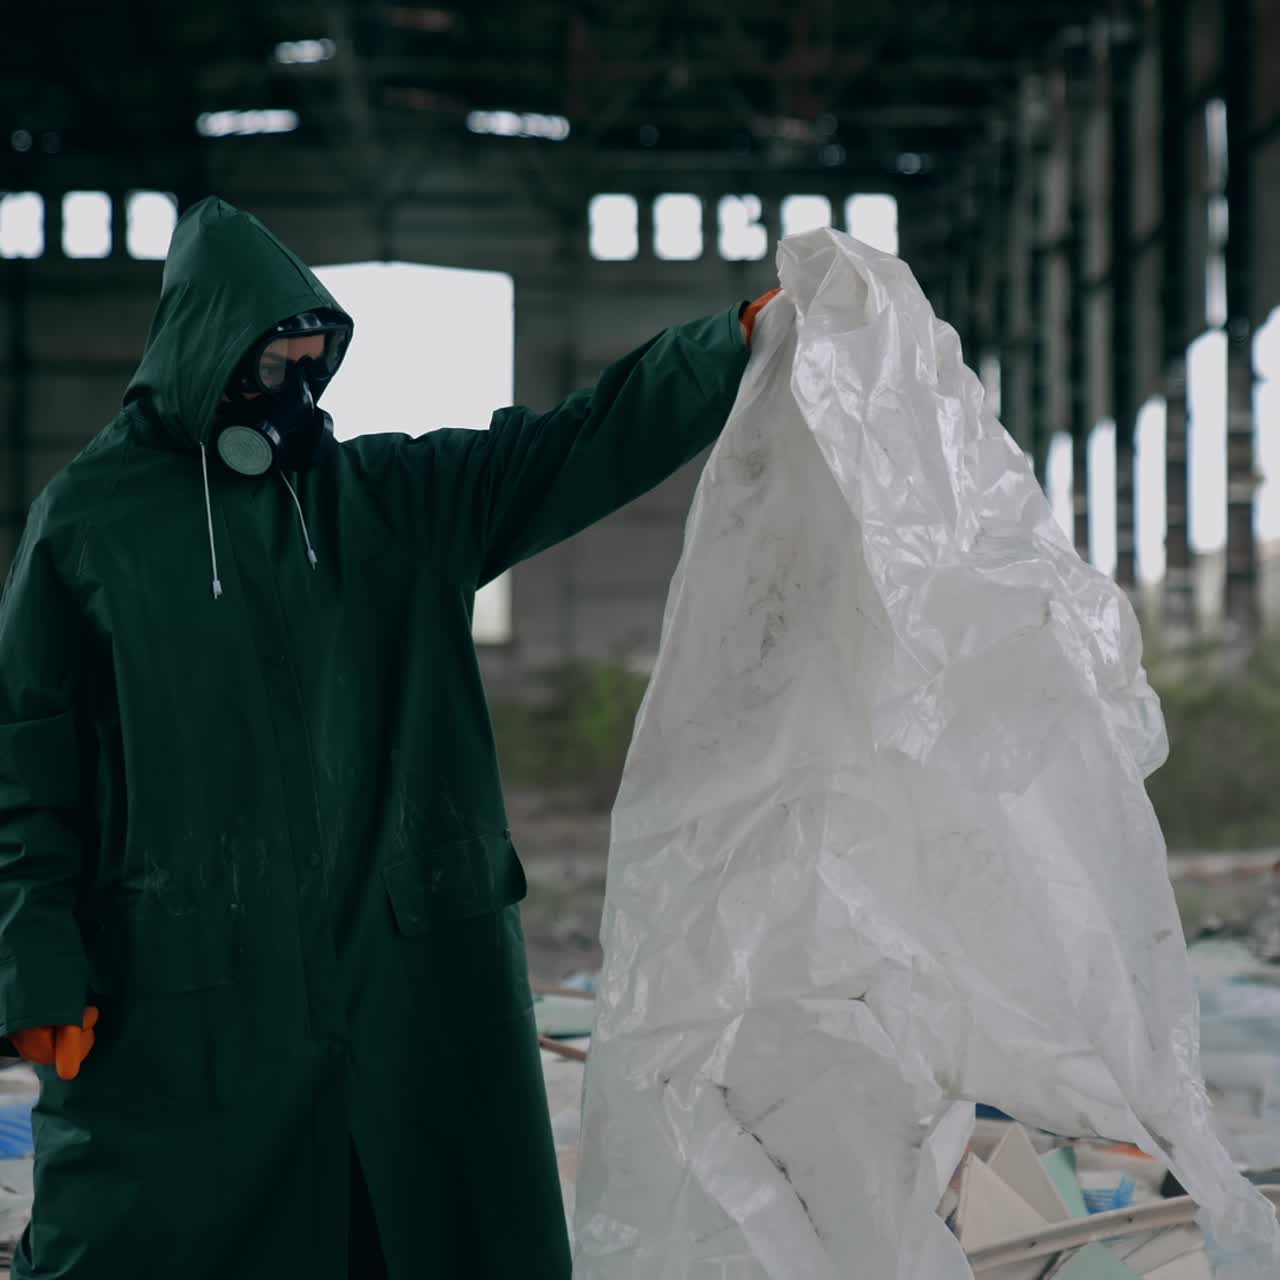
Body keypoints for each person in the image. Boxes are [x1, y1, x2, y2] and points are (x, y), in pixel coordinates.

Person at [0, 195, 779, 1278]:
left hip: (410, 971)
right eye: (267, 363)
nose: (289, 393)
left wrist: (731, 340)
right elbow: (23, 760)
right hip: (192, 986)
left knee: (423, 1220)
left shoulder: (389, 502)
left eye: (310, 364)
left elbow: (572, 442)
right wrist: (36, 964)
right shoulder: (91, 525)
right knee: (162, 1232)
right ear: (200, 355)